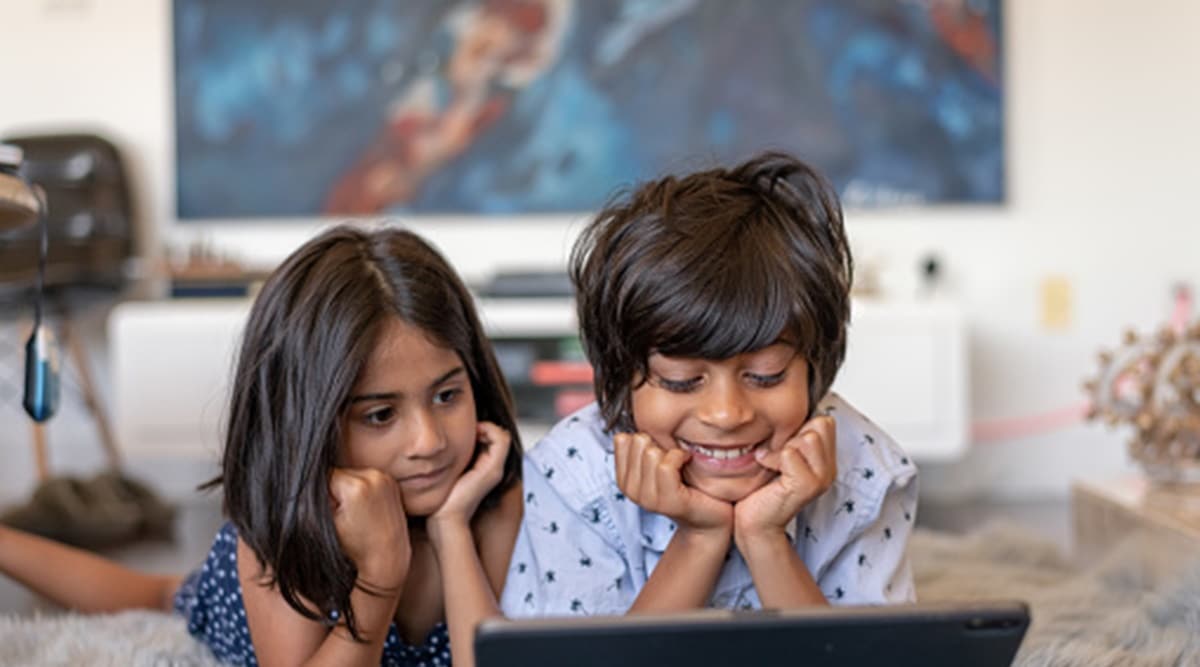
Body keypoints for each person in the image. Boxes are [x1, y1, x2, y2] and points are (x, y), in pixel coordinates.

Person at [0, 225, 523, 666]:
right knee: (163, 596)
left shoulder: (489, 496)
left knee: (160, 589)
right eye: (381, 415)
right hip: (244, 589)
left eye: (448, 395)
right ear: (309, 418)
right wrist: (380, 577)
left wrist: (451, 529)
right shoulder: (284, 525)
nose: (429, 442)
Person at [500, 151, 918, 617]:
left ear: (814, 367)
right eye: (681, 382)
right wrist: (699, 537)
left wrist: (765, 539)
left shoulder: (866, 470)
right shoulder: (571, 476)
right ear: (620, 377)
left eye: (766, 375)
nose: (726, 414)